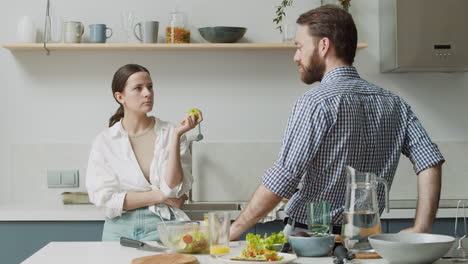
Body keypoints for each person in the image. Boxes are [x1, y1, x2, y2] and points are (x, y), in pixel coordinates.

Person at [229, 5, 444, 240]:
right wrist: (422, 227)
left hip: (311, 239)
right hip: (365, 240)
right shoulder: (394, 103)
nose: (296, 56)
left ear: (324, 45)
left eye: (300, 47)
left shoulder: (316, 102)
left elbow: (285, 177)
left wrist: (231, 231)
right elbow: (430, 161)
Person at [86, 64, 203, 241]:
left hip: (165, 225)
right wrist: (161, 196)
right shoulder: (104, 141)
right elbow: (105, 200)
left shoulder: (171, 132)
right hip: (119, 228)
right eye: (138, 88)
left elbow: (175, 188)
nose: (147, 93)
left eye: (150, 87)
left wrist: (176, 136)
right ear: (120, 97)